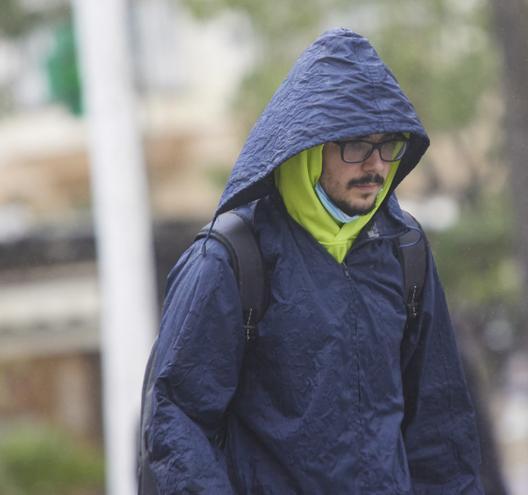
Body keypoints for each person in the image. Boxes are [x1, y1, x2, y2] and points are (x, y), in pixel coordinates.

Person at [139, 28, 484, 493]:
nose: (377, 165)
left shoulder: (406, 252)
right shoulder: (230, 260)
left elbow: (441, 433)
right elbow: (176, 426)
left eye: (389, 146)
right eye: (357, 145)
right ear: (305, 147)